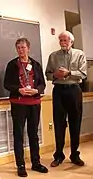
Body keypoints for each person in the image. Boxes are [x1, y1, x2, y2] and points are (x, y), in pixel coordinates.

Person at [4, 38, 48, 177]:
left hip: (34, 103)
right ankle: (21, 165)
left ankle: (36, 163)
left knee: (33, 134)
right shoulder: (12, 65)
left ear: (28, 48)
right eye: (18, 48)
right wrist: (19, 90)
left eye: (23, 47)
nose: (21, 50)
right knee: (18, 134)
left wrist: (37, 90)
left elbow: (42, 83)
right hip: (19, 103)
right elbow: (7, 84)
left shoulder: (35, 64)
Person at [45, 31, 87, 167]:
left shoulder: (79, 54)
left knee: (75, 123)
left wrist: (69, 73)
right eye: (60, 40)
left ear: (71, 42)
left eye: (65, 40)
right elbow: (48, 74)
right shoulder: (53, 56)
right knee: (59, 123)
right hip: (58, 91)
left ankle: (75, 154)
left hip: (74, 90)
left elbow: (83, 73)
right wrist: (56, 75)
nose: (62, 43)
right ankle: (58, 155)